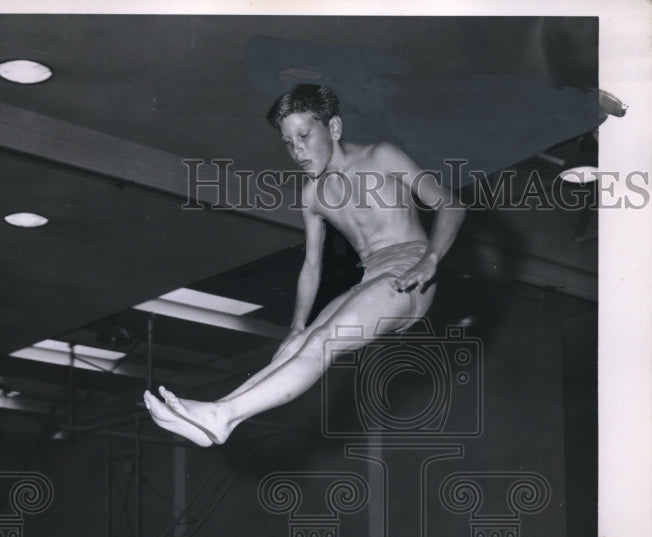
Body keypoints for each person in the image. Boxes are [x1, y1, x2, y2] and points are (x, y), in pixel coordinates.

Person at [144, 84, 466, 446]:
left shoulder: (381, 157)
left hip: (409, 274)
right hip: (372, 279)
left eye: (303, 136)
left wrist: (431, 258)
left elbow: (450, 204)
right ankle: (219, 414)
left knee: (324, 342)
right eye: (288, 142)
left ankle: (222, 415)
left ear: (335, 129)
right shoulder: (312, 194)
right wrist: (296, 324)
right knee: (297, 346)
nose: (297, 151)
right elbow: (312, 266)